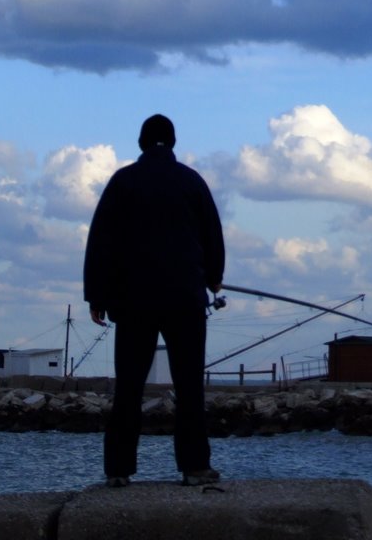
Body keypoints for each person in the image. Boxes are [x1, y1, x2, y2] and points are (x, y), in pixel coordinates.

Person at [84, 114, 225, 487]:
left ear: (141, 143)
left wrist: (96, 296)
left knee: (129, 385)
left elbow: (101, 241)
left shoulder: (123, 181)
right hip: (185, 297)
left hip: (133, 300)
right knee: (190, 384)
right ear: (173, 143)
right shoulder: (192, 181)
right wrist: (213, 280)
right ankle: (195, 467)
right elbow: (213, 234)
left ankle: (118, 470)